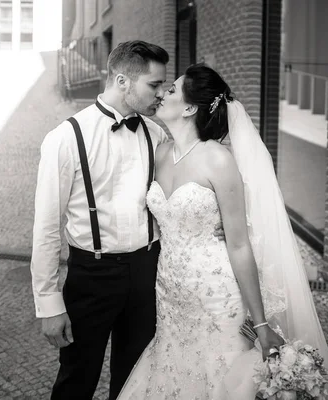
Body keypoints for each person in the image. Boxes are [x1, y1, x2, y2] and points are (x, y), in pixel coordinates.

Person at [116, 64, 328, 399]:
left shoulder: (219, 160)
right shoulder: (161, 152)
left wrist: (262, 323)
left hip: (216, 296)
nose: (163, 92)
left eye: (173, 89)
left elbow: (238, 245)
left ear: (191, 108)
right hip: (169, 295)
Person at [30, 41, 222, 400]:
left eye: (165, 85)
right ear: (122, 81)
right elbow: (45, 229)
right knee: (76, 378)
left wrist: (215, 221)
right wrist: (49, 303)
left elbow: (193, 178)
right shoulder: (65, 139)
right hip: (92, 275)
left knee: (137, 378)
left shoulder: (157, 133)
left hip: (148, 272)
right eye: (154, 85)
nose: (162, 93)